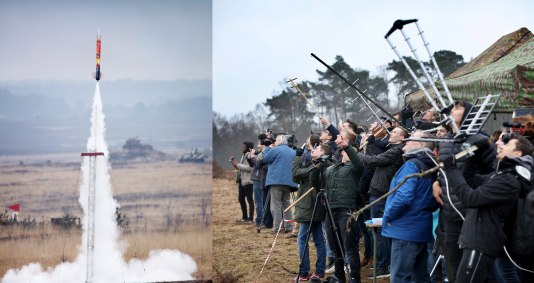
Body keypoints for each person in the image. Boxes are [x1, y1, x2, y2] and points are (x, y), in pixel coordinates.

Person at [438, 134, 533, 282]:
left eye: (507, 144)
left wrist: (451, 168)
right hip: (475, 240)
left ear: (517, 154)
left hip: (481, 243)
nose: (500, 145)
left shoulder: (509, 181)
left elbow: (470, 198)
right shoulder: (501, 175)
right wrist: (475, 156)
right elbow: (471, 179)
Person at [382, 130, 439, 282]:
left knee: (399, 277)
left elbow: (404, 196)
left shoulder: (411, 165)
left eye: (410, 138)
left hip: (405, 230)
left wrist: (388, 214)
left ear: (420, 144)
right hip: (420, 228)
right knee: (420, 277)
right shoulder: (429, 167)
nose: (406, 140)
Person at [312, 128, 364, 283]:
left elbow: (358, 163)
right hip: (330, 211)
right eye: (345, 151)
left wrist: (347, 146)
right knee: (335, 249)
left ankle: (354, 278)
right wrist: (316, 165)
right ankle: (339, 277)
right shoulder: (331, 168)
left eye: (349, 152)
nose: (346, 153)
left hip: (347, 211)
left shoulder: (355, 168)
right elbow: (315, 183)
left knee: (350, 248)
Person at [358, 126, 408, 279]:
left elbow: (373, 161)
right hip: (377, 194)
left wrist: (357, 153)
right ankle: (383, 264)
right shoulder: (392, 149)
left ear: (401, 138)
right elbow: (377, 159)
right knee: (378, 233)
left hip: (381, 195)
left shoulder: (396, 150)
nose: (390, 133)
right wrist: (371, 145)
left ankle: (383, 266)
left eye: (394, 132)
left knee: (380, 233)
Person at [292, 142, 332, 282]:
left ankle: (304, 273)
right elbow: (295, 177)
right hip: (313, 207)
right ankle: (319, 271)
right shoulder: (313, 164)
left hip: (310, 208)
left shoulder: (319, 167)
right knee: (319, 239)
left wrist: (297, 157)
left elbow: (296, 173)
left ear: (322, 154)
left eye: (316, 149)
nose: (312, 150)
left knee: (302, 239)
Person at [262, 134, 298, 233]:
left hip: (276, 181)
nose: (275, 142)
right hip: (289, 182)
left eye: (276, 141)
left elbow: (265, 159)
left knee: (276, 205)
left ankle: (277, 227)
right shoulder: (293, 152)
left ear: (281, 141)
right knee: (287, 205)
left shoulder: (275, 150)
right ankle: (289, 226)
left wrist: (267, 148)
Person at [231, 141, 255, 223]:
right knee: (241, 198)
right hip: (242, 181)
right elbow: (241, 168)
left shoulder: (249, 155)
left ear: (248, 147)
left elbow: (250, 168)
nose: (243, 148)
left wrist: (237, 165)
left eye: (244, 147)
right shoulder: (244, 155)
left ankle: (250, 219)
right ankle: (244, 217)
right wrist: (235, 165)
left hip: (248, 181)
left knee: (249, 200)